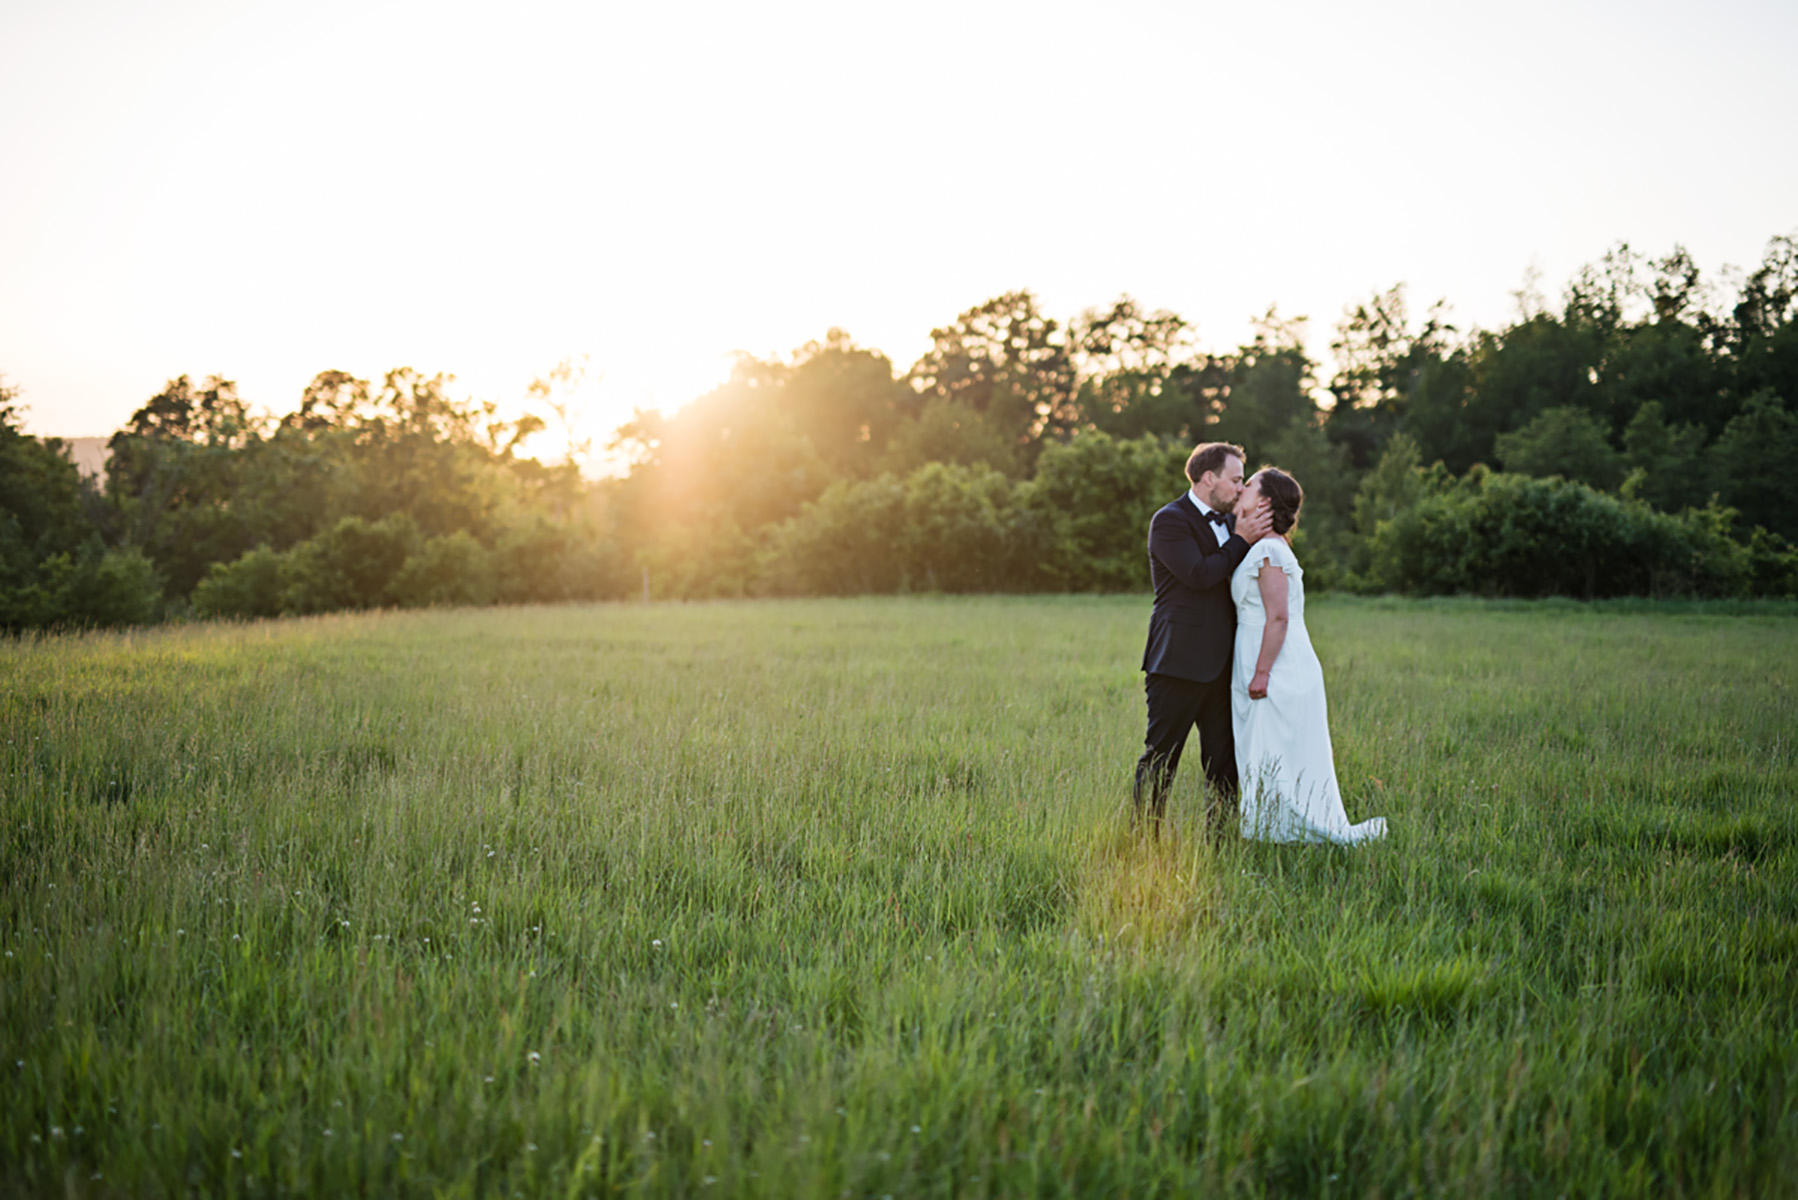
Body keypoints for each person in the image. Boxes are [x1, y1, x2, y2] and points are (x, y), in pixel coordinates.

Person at [1230, 467, 1386, 844]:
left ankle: (1284, 830)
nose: (1241, 490)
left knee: (1276, 747)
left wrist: (1262, 672)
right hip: (1267, 656)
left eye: (1248, 485)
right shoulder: (1265, 546)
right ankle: (1271, 829)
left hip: (1277, 663)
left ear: (1264, 503)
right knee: (1271, 748)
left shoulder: (1268, 549)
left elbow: (1279, 617)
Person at [1134, 442, 1273, 839]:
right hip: (1176, 662)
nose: (1240, 488)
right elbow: (1198, 574)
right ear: (1209, 478)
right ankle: (1144, 840)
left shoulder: (1232, 524)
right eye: (1235, 480)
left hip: (1225, 664)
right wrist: (1241, 540)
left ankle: (1222, 842)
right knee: (1161, 759)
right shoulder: (1169, 521)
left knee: (1224, 763)